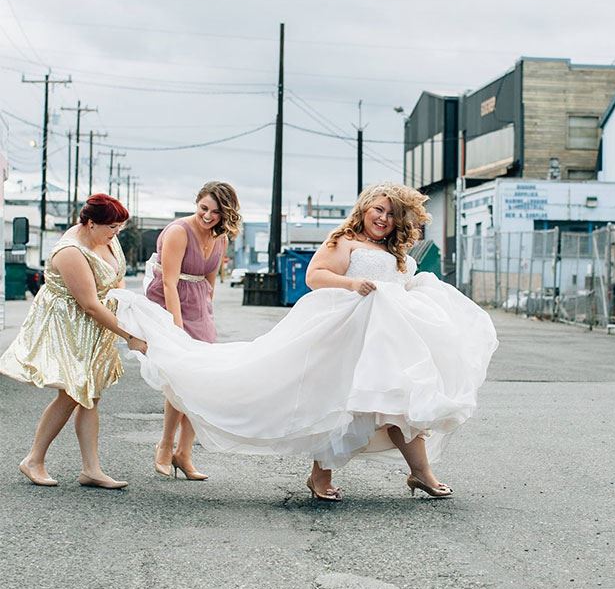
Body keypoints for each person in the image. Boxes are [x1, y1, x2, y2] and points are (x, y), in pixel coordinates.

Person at [112, 183, 498, 500]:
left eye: (392, 213)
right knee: (341, 404)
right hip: (349, 336)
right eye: (378, 209)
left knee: (394, 404)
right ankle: (325, 476)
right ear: (365, 209)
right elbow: (314, 276)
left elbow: (399, 286)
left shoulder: (393, 252)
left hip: (388, 341)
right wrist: (352, 283)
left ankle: (419, 474)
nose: (383, 218)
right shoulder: (344, 241)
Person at [0, 194, 147, 489]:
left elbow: (116, 278)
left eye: (119, 227)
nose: (116, 233)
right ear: (91, 224)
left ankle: (91, 469)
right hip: (71, 326)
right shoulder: (70, 251)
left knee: (90, 395)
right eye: (112, 227)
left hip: (98, 324)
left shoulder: (107, 236)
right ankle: (33, 460)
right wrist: (130, 336)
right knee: (72, 392)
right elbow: (89, 304)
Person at [146, 181, 241, 480]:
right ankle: (164, 446)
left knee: (199, 382)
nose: (208, 216)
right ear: (196, 203)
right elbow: (169, 283)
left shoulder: (220, 237)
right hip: (170, 303)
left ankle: (184, 454)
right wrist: (176, 327)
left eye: (215, 212)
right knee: (178, 380)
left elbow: (210, 280)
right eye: (203, 209)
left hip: (199, 307)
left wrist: (207, 310)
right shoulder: (178, 231)